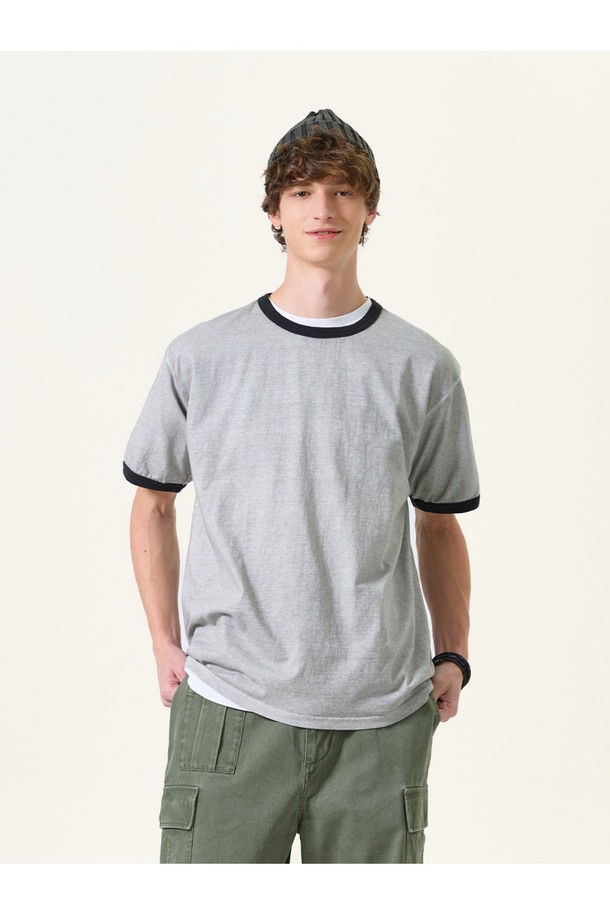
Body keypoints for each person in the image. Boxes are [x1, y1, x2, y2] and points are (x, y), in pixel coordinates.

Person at [122, 109, 480, 864]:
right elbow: (152, 502)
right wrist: (162, 640)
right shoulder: (202, 356)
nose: (323, 208)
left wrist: (454, 653)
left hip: (381, 719)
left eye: (343, 190)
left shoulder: (424, 366)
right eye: (302, 191)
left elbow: (439, 522)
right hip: (229, 708)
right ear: (274, 212)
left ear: (370, 210)